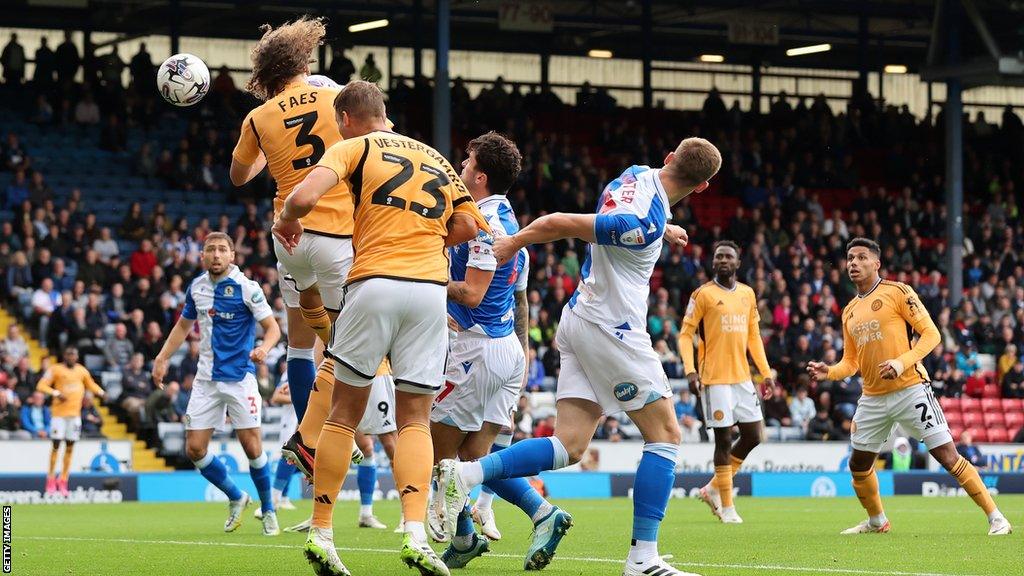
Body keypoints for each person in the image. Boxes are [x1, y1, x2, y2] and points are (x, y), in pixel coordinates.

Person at [437, 137, 721, 576]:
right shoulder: (643, 222)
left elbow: (626, 217)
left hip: (579, 318)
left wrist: (664, 228)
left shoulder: (633, 176)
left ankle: (466, 476)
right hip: (612, 328)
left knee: (569, 446)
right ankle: (643, 559)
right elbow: (558, 223)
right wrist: (513, 243)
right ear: (702, 187)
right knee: (666, 434)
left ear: (667, 158)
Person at [273, 79, 487, 576]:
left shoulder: (353, 146)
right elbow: (467, 227)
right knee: (414, 419)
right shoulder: (434, 155)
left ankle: (322, 532)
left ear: (345, 118)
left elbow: (304, 196)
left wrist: (286, 219)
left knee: (343, 415)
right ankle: (415, 533)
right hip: (430, 291)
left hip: (373, 283)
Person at [228, 16, 388, 532]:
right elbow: (370, 128)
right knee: (352, 345)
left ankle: (309, 437)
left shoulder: (258, 117)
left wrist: (272, 164)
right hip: (337, 232)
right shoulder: (334, 95)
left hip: (288, 236)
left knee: (302, 343)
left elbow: (238, 175)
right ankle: (334, 433)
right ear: (301, 60)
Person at [808, 237, 1011, 536]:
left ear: (876, 263)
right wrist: (830, 373)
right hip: (873, 398)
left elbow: (931, 335)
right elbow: (851, 363)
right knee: (858, 465)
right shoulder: (849, 310)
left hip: (911, 388)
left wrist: (901, 363)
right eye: (850, 258)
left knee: (947, 456)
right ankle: (877, 521)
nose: (853, 263)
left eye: (861, 257)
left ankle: (996, 517)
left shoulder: (898, 292)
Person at [426, 132, 560, 570]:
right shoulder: (510, 224)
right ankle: (544, 512)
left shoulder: (488, 227)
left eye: (466, 162)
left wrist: (423, 284)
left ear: (479, 176)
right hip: (504, 349)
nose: (460, 167)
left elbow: (471, 294)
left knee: (435, 453)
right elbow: (519, 300)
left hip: (476, 351)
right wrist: (519, 360)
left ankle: (463, 535)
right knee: (475, 459)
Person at [151, 232, 282, 536]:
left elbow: (272, 327)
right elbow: (183, 326)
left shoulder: (247, 289)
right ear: (202, 256)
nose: (216, 254)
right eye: (210, 250)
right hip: (207, 379)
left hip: (240, 378)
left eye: (222, 249)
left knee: (252, 447)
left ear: (232, 256)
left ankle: (270, 510)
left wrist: (264, 348)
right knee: (195, 449)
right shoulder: (196, 287)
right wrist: (162, 358)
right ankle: (237, 496)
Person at [678, 240, 774, 524]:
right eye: (718, 256)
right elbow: (685, 335)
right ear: (713, 262)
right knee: (723, 439)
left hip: (743, 378)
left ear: (737, 263)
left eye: (728, 256)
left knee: (755, 435)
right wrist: (690, 371)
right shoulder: (702, 294)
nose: (722, 260)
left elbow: (754, 337)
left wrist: (766, 373)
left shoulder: (747, 294)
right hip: (714, 378)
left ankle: (712, 488)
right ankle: (728, 506)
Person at [35, 347, 105, 496]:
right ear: (64, 356)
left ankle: (64, 480)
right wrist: (56, 393)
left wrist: (101, 392)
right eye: (68, 354)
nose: (71, 357)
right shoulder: (56, 369)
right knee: (56, 445)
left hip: (74, 416)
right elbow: (41, 385)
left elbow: (90, 384)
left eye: (74, 355)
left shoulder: (81, 371)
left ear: (77, 357)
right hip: (59, 415)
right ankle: (51, 479)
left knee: (70, 446)